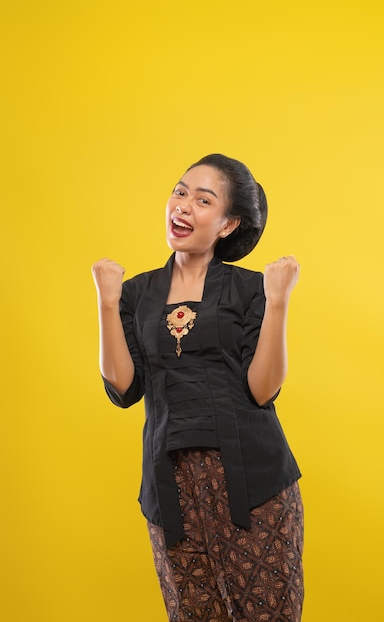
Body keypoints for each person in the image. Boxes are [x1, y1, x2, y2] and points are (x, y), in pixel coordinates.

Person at [91, 153, 304, 621]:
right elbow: (125, 389)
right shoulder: (136, 293)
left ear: (227, 224)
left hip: (254, 482)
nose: (183, 205)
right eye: (180, 191)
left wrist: (279, 302)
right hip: (171, 488)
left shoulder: (252, 290)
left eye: (203, 200)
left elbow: (263, 390)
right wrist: (107, 304)